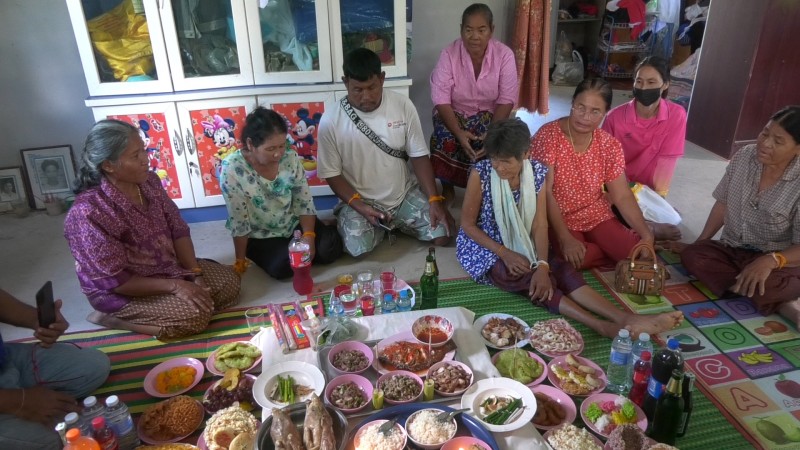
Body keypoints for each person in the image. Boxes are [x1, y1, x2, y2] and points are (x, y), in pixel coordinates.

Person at [458, 119, 682, 338]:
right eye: (494, 160)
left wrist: (544, 266)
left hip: (524, 237)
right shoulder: (481, 174)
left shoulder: (536, 173)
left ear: (525, 155)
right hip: (485, 244)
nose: (498, 167)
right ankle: (599, 325)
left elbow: (539, 224)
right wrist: (504, 253)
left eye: (506, 162)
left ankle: (622, 318)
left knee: (560, 269)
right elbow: (467, 225)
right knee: (524, 274)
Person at [64, 119, 241, 339]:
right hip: (125, 290)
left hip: (166, 268)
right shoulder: (88, 213)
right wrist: (177, 287)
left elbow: (178, 229)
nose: (145, 160)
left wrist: (195, 275)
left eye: (143, 151)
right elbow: (116, 281)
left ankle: (178, 302)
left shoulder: (150, 182)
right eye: (135, 156)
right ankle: (113, 319)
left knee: (229, 283)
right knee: (194, 316)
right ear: (108, 165)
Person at [530, 78, 678, 271]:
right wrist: (564, 238)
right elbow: (546, 193)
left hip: (597, 214)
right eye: (580, 107)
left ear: (605, 113)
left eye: (595, 111)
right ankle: (614, 246)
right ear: (572, 104)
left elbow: (622, 195)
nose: (585, 117)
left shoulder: (608, 145)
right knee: (574, 259)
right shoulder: (548, 137)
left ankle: (637, 237)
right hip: (560, 217)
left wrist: (646, 236)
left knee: (638, 255)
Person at [317, 48, 453, 257]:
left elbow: (418, 155)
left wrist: (434, 200)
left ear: (382, 79)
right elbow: (331, 174)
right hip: (361, 201)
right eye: (357, 90)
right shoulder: (331, 119)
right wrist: (361, 208)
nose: (366, 97)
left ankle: (390, 223)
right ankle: (367, 221)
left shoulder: (403, 105)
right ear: (346, 83)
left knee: (443, 234)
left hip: (402, 195)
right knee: (358, 248)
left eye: (372, 87)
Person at [680, 106, 800, 327]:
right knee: (693, 256)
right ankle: (771, 297)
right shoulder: (744, 157)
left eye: (778, 141)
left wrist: (771, 261)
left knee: (774, 282)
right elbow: (723, 203)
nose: (765, 143)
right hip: (733, 249)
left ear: (798, 149)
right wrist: (701, 241)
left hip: (778, 260)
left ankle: (768, 293)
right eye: (765, 133)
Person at [220, 107, 342, 279]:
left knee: (329, 249)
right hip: (261, 235)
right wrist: (240, 260)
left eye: (281, 146)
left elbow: (304, 201)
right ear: (250, 144)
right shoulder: (232, 169)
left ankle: (323, 228)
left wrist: (309, 236)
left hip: (293, 224)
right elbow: (239, 218)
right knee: (283, 267)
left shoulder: (290, 158)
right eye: (270, 149)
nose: (278, 153)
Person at [429, 3, 519, 205]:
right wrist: (459, 133)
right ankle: (448, 187)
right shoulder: (449, 54)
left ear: (491, 30)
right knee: (444, 137)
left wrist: (492, 134)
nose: (474, 36)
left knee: (493, 143)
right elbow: (441, 98)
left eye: (481, 30)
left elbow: (506, 99)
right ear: (461, 29)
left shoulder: (504, 55)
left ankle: (481, 189)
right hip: (455, 112)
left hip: (490, 114)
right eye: (468, 30)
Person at [0, 288, 110, 450]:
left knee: (94, 366)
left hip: (5, 361)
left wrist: (37, 320)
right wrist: (20, 401)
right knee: (59, 439)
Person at [602, 56, 687, 197]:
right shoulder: (614, 118)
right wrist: (622, 194)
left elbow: (667, 161)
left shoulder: (676, 115)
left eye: (651, 82)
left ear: (665, 84)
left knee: (670, 218)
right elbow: (605, 162)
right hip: (617, 186)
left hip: (650, 190)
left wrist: (659, 198)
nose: (643, 87)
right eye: (639, 81)